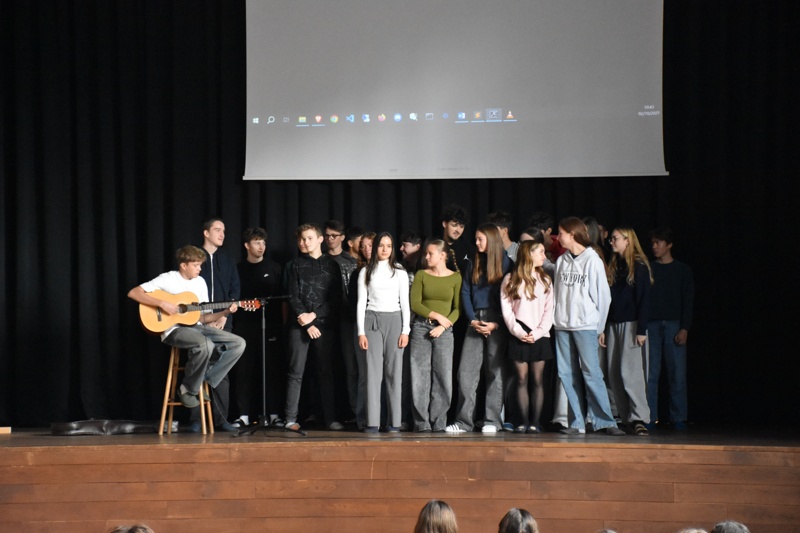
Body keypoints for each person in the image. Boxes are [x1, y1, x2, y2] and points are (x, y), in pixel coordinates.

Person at [127, 245, 245, 430]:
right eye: (196, 265)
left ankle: (205, 379)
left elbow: (202, 317)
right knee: (205, 344)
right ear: (183, 265)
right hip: (173, 330)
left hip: (197, 327)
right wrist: (162, 303)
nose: (200, 269)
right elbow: (134, 292)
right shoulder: (168, 278)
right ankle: (188, 389)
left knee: (238, 343)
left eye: (200, 265)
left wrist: (224, 312)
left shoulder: (200, 283)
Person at [552, 217, 624, 436]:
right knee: (566, 373)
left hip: (585, 325)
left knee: (591, 372)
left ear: (572, 234)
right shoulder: (562, 260)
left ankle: (605, 421)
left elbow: (603, 297)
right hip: (563, 326)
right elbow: (557, 294)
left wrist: (599, 327)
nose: (558, 237)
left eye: (561, 233)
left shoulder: (592, 260)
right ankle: (577, 422)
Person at [447, 223, 513, 434]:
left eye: (480, 239)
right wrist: (472, 319)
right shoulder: (473, 262)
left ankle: (492, 420)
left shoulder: (506, 263)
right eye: (476, 239)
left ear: (491, 240)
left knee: (495, 371)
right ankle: (464, 422)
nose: (476, 243)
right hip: (475, 320)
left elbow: (510, 297)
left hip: (497, 321)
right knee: (466, 373)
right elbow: (465, 292)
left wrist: (497, 322)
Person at [284, 223, 343, 431]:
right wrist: (306, 321)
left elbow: (335, 298)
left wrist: (315, 316)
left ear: (320, 240)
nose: (304, 242)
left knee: (325, 371)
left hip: (324, 325)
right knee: (295, 371)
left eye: (309, 238)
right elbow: (293, 296)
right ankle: (290, 418)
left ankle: (330, 418)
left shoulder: (332, 265)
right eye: (301, 239)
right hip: (299, 325)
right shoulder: (295, 265)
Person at [600, 226, 653, 436]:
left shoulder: (638, 266)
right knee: (613, 374)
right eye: (611, 239)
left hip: (631, 325)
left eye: (615, 238)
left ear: (627, 240)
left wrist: (641, 329)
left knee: (630, 373)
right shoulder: (615, 265)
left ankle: (639, 417)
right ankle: (624, 417)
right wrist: (603, 327)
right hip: (613, 324)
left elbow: (644, 299)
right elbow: (607, 300)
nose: (611, 242)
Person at [356, 232, 411, 433]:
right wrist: (361, 332)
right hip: (372, 321)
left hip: (394, 321)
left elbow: (405, 303)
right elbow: (361, 303)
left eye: (389, 245)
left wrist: (405, 330)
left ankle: (394, 421)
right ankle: (372, 421)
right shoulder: (365, 271)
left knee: (394, 372)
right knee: (372, 372)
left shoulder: (400, 272)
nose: (385, 249)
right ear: (375, 248)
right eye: (381, 245)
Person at [232, 227, 284, 428]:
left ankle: (274, 414)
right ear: (247, 245)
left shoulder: (275, 268)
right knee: (244, 370)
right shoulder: (237, 269)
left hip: (270, 326)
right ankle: (243, 414)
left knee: (271, 369)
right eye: (256, 242)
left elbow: (283, 301)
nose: (261, 246)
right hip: (244, 326)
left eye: (263, 242)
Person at [500, 240, 554, 434]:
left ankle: (535, 422)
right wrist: (519, 332)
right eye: (541, 252)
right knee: (521, 379)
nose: (544, 256)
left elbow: (549, 311)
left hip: (540, 334)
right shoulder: (511, 279)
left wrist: (537, 333)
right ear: (529, 254)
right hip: (519, 333)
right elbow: (507, 311)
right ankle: (522, 421)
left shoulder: (545, 280)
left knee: (538, 380)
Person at [410, 239, 461, 432]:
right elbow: (416, 303)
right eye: (426, 253)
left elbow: (457, 309)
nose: (427, 257)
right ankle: (421, 423)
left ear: (442, 255)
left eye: (430, 253)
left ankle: (439, 422)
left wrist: (443, 326)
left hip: (444, 331)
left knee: (443, 376)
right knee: (419, 376)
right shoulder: (421, 275)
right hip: (421, 328)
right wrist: (437, 316)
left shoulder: (455, 277)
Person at [647, 226, 694, 430]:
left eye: (658, 243)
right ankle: (649, 416)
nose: (654, 246)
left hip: (674, 324)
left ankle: (678, 417)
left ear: (669, 245)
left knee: (677, 373)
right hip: (652, 325)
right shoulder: (649, 268)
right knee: (651, 373)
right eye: (653, 243)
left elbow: (688, 301)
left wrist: (684, 328)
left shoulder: (682, 270)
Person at [198, 217, 241, 431]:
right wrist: (206, 317)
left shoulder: (227, 258)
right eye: (217, 230)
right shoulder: (195, 256)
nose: (222, 234)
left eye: (223, 230)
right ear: (206, 233)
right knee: (197, 366)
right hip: (198, 321)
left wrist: (223, 316)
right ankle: (197, 420)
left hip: (224, 322)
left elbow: (235, 289)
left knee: (221, 370)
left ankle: (221, 419)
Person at [325, 220, 360, 424]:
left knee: (351, 368)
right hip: (327, 322)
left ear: (343, 238)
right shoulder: (321, 261)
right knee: (328, 368)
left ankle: (354, 412)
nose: (330, 239)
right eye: (327, 235)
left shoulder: (352, 262)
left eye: (334, 235)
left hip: (349, 320)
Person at [440, 204, 472, 273]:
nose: (458, 230)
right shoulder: (435, 246)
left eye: (461, 226)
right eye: (454, 225)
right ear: (444, 224)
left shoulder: (469, 249)